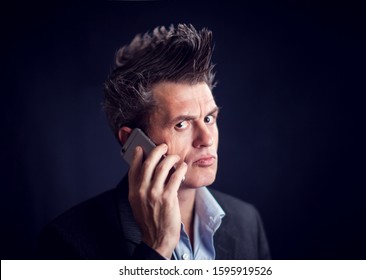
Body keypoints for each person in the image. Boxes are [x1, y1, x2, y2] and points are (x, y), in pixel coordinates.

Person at [38, 24, 270, 260]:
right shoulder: (67, 241)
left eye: (209, 118)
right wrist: (156, 246)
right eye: (182, 124)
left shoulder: (247, 222)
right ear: (134, 142)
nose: (207, 139)